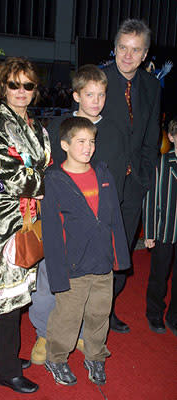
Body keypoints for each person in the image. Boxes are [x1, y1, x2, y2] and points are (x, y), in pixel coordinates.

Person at [29, 64, 127, 364]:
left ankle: (83, 335)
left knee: (91, 290)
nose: (95, 101)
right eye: (89, 94)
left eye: (101, 95)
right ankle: (44, 334)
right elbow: (44, 173)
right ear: (76, 95)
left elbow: (117, 176)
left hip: (95, 225)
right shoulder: (59, 129)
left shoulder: (111, 131)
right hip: (61, 222)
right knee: (49, 281)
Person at [0, 57, 51, 394]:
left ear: (36, 90)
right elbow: (9, 174)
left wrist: (42, 179)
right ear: (3, 87)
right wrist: (50, 184)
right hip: (4, 221)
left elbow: (42, 164)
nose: (21, 91)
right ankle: (6, 370)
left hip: (28, 218)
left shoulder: (36, 126)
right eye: (14, 84)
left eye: (28, 85)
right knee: (8, 295)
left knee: (18, 292)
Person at [41, 117, 130, 386]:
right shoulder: (55, 181)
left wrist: (119, 259)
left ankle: (95, 355)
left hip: (102, 264)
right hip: (73, 267)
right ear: (65, 144)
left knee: (99, 315)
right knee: (67, 318)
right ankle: (55, 358)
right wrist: (58, 275)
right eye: (81, 141)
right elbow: (53, 234)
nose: (88, 147)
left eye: (91, 141)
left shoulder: (104, 174)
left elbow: (114, 218)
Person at [101, 19, 161, 333]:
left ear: (145, 54)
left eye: (135, 50)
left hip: (133, 184)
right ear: (114, 48)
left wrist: (145, 179)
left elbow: (152, 137)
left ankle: (107, 310)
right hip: (100, 183)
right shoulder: (100, 80)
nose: (127, 55)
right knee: (96, 253)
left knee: (121, 256)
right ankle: (88, 315)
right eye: (123, 48)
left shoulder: (151, 87)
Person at [143, 117, 177, 336]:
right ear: (172, 137)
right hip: (165, 230)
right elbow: (151, 199)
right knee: (159, 275)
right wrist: (149, 232)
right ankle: (154, 312)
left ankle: (174, 316)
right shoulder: (162, 163)